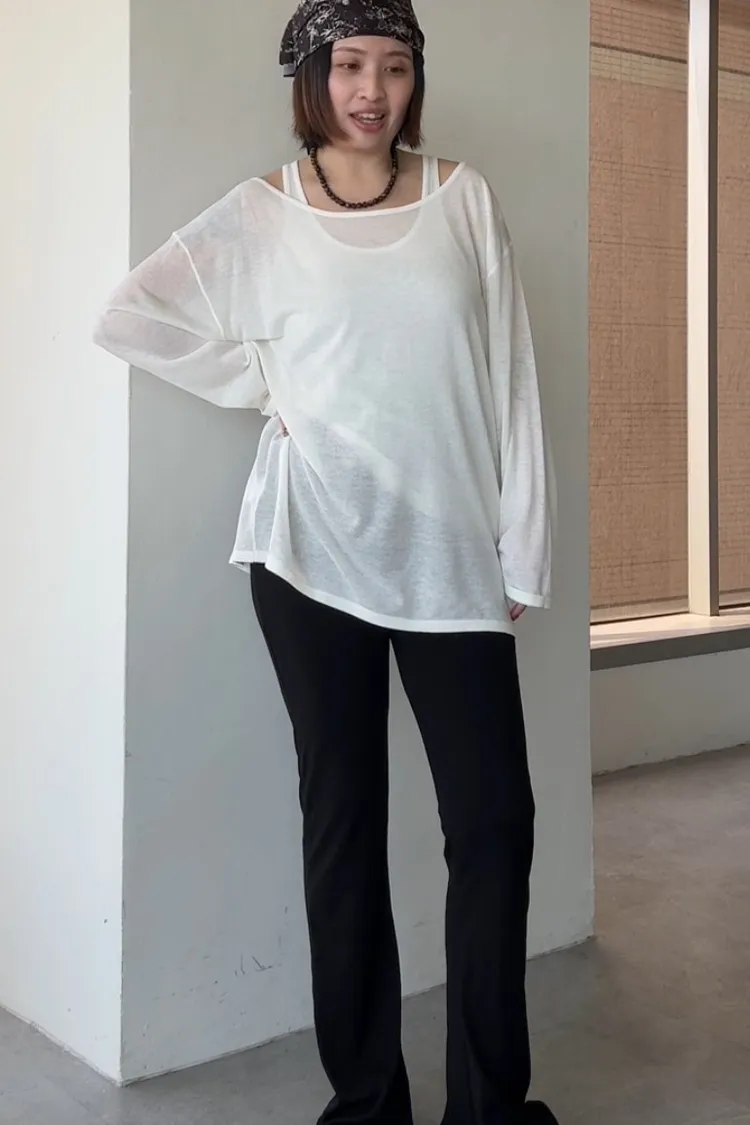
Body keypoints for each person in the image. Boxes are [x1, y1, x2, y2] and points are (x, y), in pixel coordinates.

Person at [93, 1, 558, 1122]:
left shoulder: (464, 198)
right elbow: (130, 315)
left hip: (450, 555)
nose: (372, 91)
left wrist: (522, 550)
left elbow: (512, 377)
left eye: (395, 67)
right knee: (343, 827)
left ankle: (490, 1107)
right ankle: (367, 1100)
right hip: (309, 553)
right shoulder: (263, 212)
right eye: (349, 65)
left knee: (494, 823)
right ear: (311, 76)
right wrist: (264, 384)